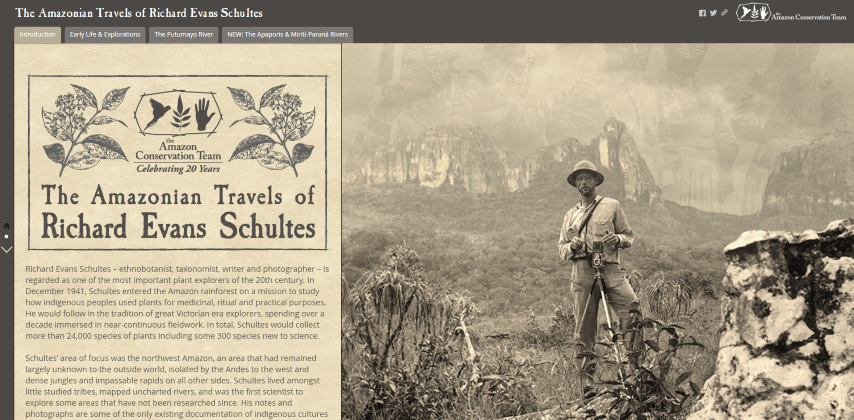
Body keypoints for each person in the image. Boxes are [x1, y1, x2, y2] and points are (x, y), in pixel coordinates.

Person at [558, 160, 640, 396]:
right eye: (579, 179)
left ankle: (635, 371)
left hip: (610, 267)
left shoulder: (611, 206)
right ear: (575, 184)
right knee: (584, 329)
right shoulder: (570, 216)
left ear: (596, 180)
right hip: (582, 271)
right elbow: (561, 250)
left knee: (632, 309)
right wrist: (572, 246)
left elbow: (629, 236)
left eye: (588, 177)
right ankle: (588, 384)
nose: (584, 182)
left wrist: (618, 239)